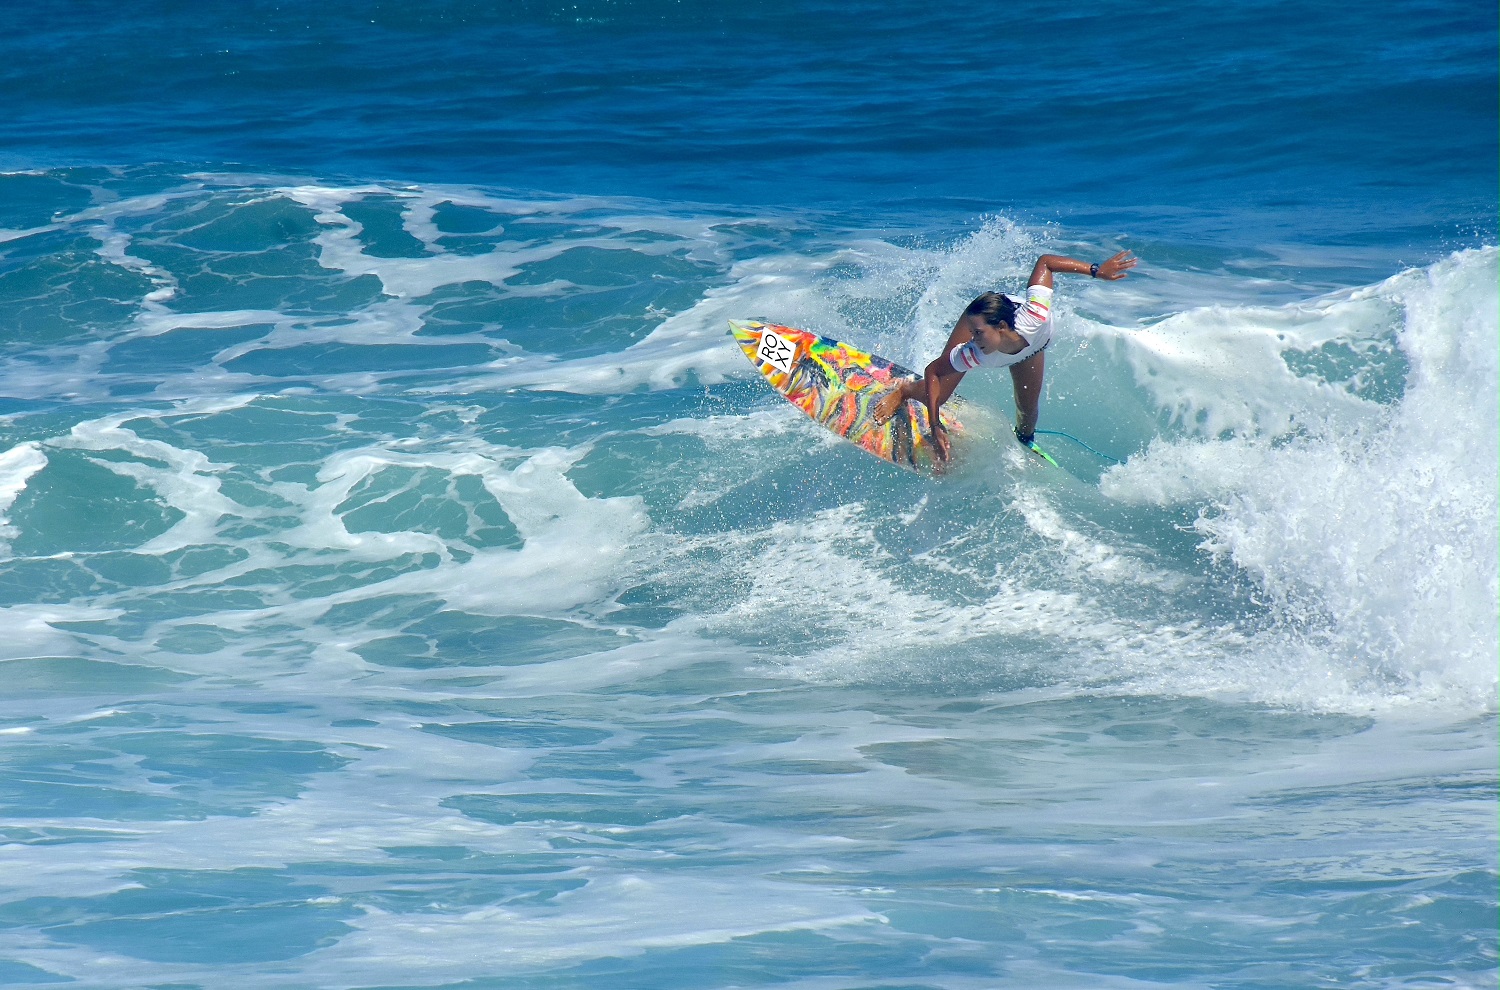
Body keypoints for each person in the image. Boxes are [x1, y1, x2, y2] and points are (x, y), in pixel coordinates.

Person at [874, 250, 1138, 463]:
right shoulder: (975, 351)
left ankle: (1025, 441)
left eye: (976, 335)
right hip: (981, 317)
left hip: (1026, 344)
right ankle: (904, 391)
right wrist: (935, 425)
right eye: (972, 336)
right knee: (939, 394)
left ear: (1001, 327)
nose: (971, 341)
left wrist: (1096, 271)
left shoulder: (1035, 316)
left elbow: (1046, 263)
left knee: (1028, 414)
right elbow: (934, 370)